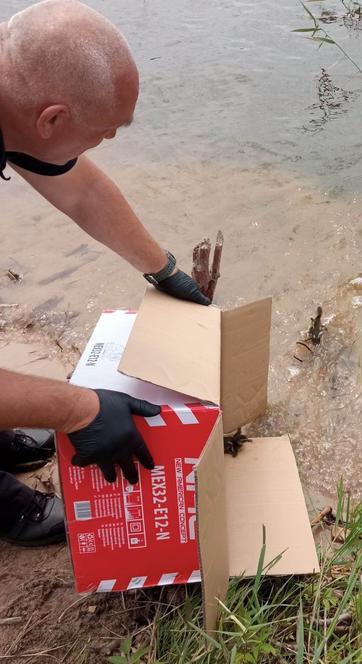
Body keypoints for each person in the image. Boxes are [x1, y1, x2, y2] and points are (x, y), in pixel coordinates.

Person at [0, 0, 210, 546]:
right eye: (104, 132)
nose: (110, 141)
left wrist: (162, 270)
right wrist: (78, 408)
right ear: (51, 119)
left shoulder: (13, 91)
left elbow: (83, 189)